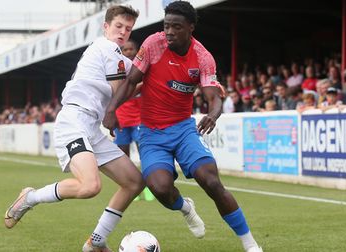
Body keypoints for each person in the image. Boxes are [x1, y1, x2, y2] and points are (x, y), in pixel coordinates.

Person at [103, 2, 262, 251]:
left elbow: (213, 96)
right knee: (160, 188)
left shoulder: (202, 57)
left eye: (176, 27)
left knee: (211, 182)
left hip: (183, 130)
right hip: (152, 134)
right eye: (166, 26)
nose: (169, 32)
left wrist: (213, 113)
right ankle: (186, 207)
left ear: (190, 27)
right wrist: (111, 110)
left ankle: (250, 244)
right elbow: (131, 81)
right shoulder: (153, 45)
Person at [3, 5, 144, 252]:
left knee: (134, 182)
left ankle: (96, 242)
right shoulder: (106, 47)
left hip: (90, 126)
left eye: (128, 28)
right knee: (91, 186)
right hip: (75, 121)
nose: (123, 32)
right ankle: (30, 198)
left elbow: (137, 82)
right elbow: (120, 92)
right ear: (106, 27)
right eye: (118, 26)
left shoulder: (120, 58)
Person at [116, 39, 154, 201]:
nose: (129, 52)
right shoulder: (118, 69)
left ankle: (149, 187)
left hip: (140, 118)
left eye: (132, 49)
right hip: (122, 118)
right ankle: (130, 186)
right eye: (125, 49)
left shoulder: (143, 68)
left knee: (143, 152)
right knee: (123, 156)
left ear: (138, 51)